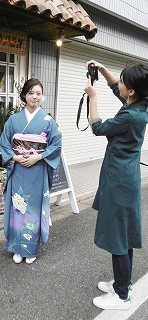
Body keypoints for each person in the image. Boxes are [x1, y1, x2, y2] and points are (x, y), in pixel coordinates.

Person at [84, 60, 148, 310]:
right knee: (124, 235)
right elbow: (116, 88)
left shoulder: (130, 115)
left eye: (122, 81)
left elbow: (98, 127)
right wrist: (101, 69)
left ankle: (121, 295)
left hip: (119, 182)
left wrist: (92, 96)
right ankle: (123, 282)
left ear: (131, 90)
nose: (118, 84)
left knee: (118, 238)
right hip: (125, 177)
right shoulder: (139, 105)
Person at [0, 78, 62, 264]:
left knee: (33, 209)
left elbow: (56, 144)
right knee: (18, 207)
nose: (35, 96)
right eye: (31, 93)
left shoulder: (48, 121)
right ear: (24, 95)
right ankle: (17, 246)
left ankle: (31, 249)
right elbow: (4, 143)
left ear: (42, 96)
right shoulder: (13, 120)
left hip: (37, 168)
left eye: (38, 93)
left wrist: (38, 157)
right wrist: (15, 157)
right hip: (18, 168)